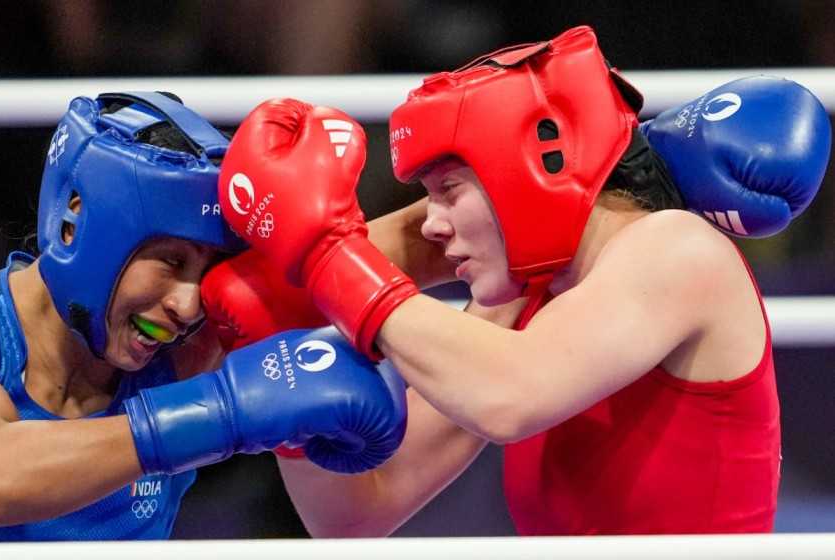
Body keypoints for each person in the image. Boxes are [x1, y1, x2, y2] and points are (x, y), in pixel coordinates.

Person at [204, 26, 830, 535]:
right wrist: (285, 321)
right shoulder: (526, 300)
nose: (435, 226)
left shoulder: (680, 251)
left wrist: (323, 257)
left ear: (537, 166)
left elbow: (508, 395)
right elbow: (357, 513)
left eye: (448, 190)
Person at [0, 91, 407, 543]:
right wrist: (224, 414)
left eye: (206, 269)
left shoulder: (188, 346)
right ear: (75, 224)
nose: (188, 305)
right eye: (169, 260)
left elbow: (403, 246)